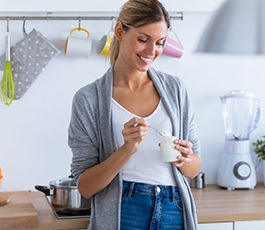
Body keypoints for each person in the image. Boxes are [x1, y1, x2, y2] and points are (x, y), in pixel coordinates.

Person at [68, 0, 202, 229]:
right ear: (120, 31)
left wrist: (185, 158)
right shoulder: (89, 99)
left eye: (160, 43)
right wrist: (126, 149)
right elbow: (85, 186)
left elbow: (194, 168)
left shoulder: (175, 90)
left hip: (174, 208)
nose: (152, 51)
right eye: (143, 40)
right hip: (124, 210)